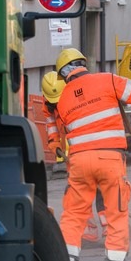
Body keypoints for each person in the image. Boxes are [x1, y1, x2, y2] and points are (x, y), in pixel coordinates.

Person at [54, 48, 131, 261]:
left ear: (64, 75)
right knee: (116, 212)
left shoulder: (63, 99)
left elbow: (65, 131)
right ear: (83, 64)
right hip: (109, 159)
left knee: (74, 214)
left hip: (79, 161)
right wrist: (116, 92)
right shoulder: (106, 80)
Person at [42, 72, 108, 244]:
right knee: (77, 193)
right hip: (74, 157)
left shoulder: (80, 100)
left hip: (92, 151)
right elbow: (52, 128)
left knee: (103, 189)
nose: (57, 104)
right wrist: (55, 146)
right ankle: (88, 231)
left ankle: (109, 228)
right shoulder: (49, 105)